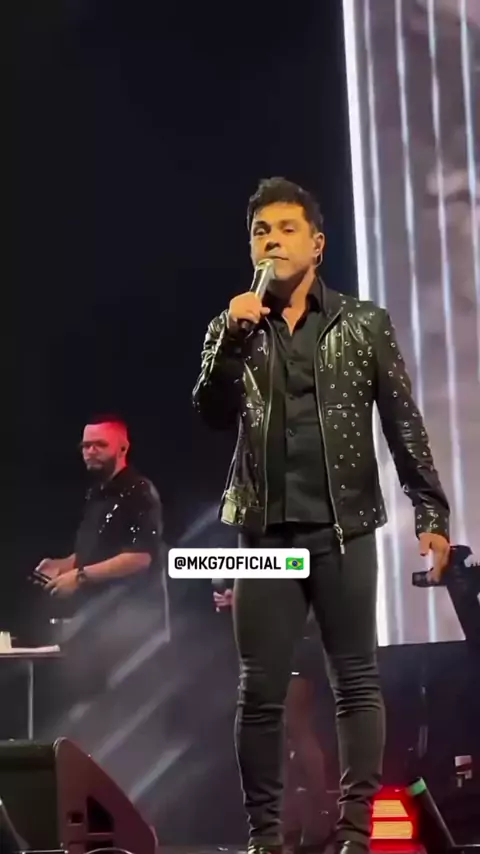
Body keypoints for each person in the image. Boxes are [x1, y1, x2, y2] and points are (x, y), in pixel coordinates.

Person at [192, 177, 450, 854]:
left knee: (355, 682)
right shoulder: (233, 328)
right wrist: (233, 340)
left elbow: (403, 423)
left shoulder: (363, 324)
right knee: (260, 692)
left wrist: (431, 511)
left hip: (344, 530)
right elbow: (210, 411)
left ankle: (355, 833)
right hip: (265, 537)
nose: (272, 241)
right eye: (260, 232)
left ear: (318, 244)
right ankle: (265, 837)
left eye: (286, 229)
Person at [35, 415, 164, 712]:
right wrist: (62, 565)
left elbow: (141, 557)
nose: (90, 451)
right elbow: (93, 552)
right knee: (90, 706)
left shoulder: (139, 491)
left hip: (130, 622)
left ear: (123, 448)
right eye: (85, 446)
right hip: (96, 620)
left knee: (123, 710)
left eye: (99, 445)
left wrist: (79, 577)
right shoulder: (97, 493)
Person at [214, 584, 332, 852]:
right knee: (285, 734)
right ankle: (295, 823)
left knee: (295, 729)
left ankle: (317, 819)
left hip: (292, 642)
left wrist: (244, 599)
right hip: (284, 642)